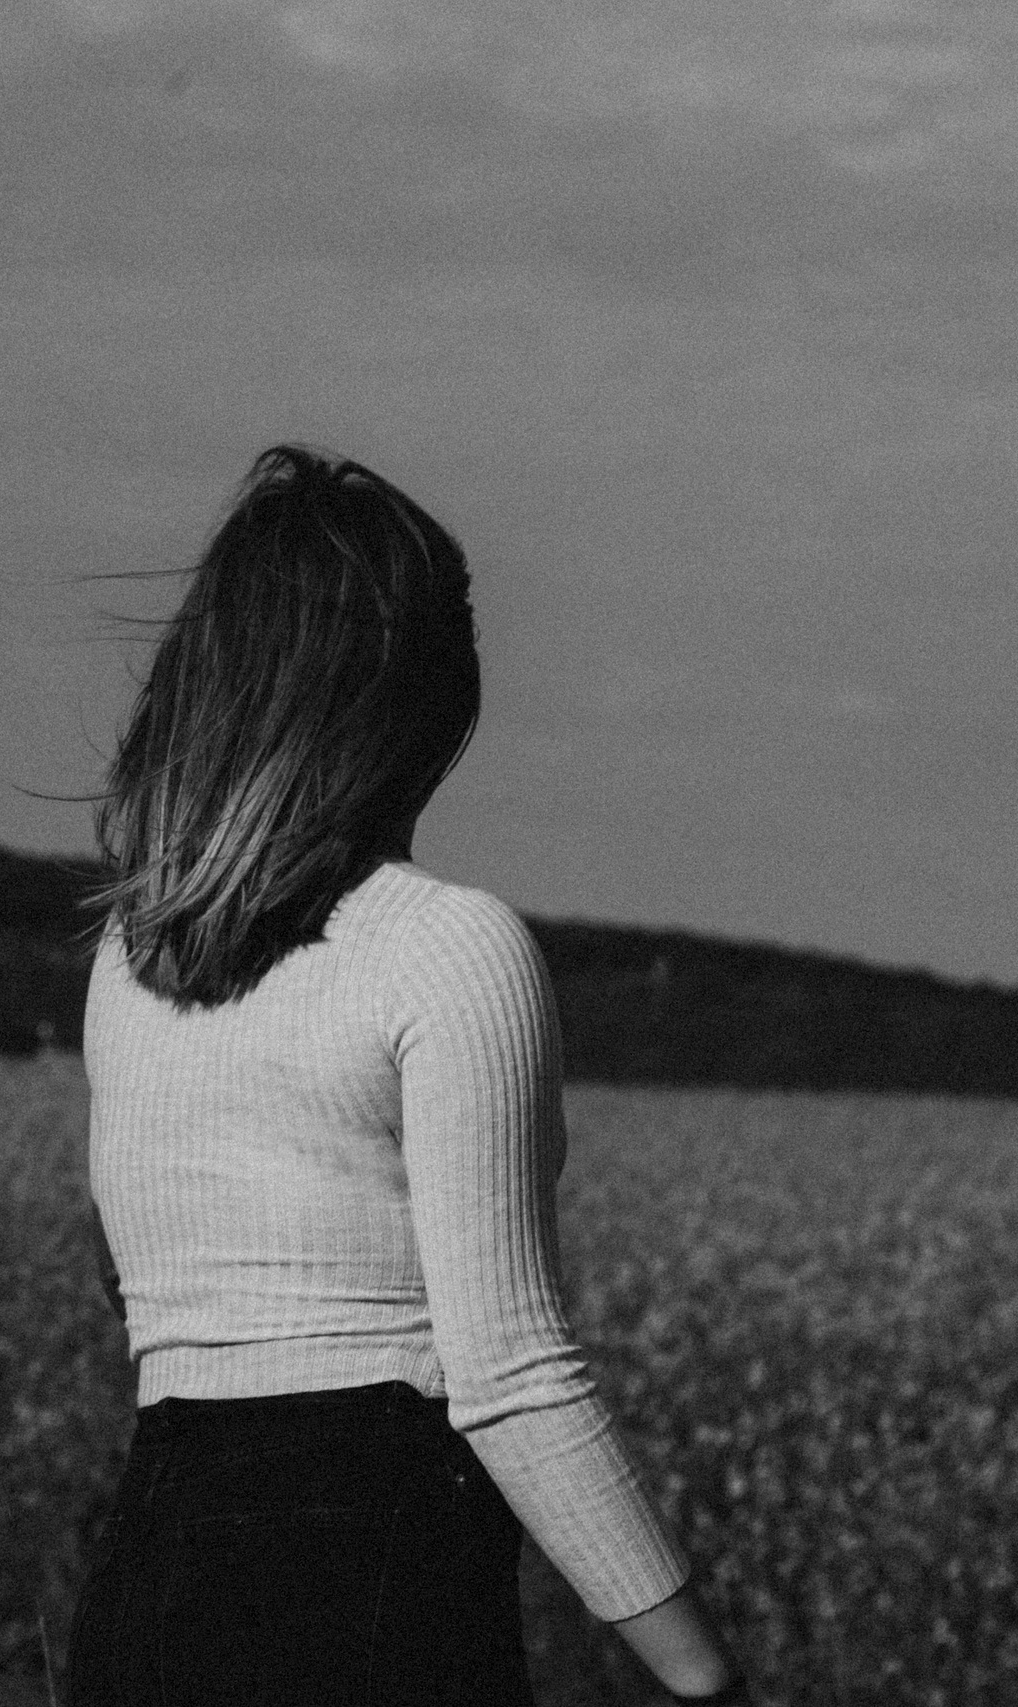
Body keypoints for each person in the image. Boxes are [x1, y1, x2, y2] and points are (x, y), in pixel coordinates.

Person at [64, 447, 745, 1705]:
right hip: (366, 1578)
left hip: (148, 1568)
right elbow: (512, 1372)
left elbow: (147, 1294)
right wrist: (705, 1676)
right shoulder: (446, 946)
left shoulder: (130, 953)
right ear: (422, 701)